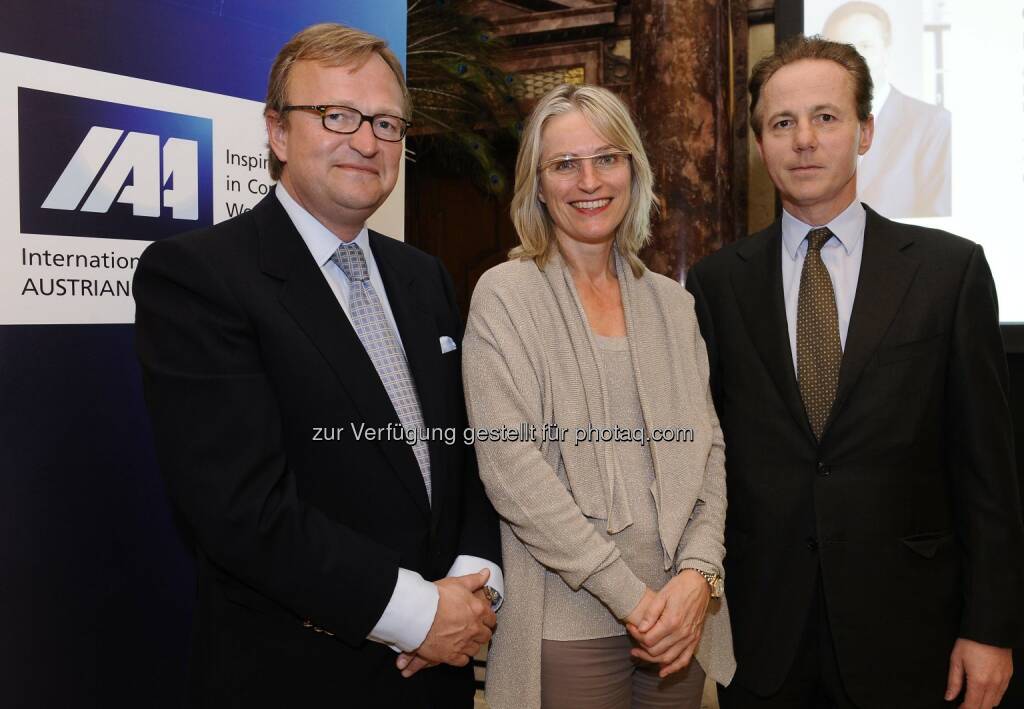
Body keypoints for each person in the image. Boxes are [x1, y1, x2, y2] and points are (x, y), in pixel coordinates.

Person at [133, 23, 502, 709]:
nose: (366, 141)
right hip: (296, 675)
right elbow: (243, 510)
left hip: (438, 675)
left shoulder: (425, 278)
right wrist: (420, 614)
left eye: (387, 123)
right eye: (337, 115)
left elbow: (468, 451)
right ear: (277, 133)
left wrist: (476, 588)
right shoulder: (198, 277)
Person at [686, 35, 1024, 709]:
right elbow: (705, 454)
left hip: (910, 632)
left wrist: (990, 629)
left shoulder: (946, 272)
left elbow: (987, 470)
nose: (804, 139)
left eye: (826, 117)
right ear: (760, 144)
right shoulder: (717, 284)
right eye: (782, 123)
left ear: (865, 131)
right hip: (763, 634)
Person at [461, 83, 735, 709]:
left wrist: (698, 577)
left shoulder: (673, 303)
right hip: (568, 617)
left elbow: (708, 451)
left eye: (607, 157)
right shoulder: (505, 296)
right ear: (537, 183)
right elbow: (512, 471)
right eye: (565, 164)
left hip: (680, 617)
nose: (589, 180)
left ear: (633, 170)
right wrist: (633, 598)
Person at [823, 0, 951, 218]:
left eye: (865, 46)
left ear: (886, 51)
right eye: (843, 49)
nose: (855, 60)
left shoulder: (931, 122)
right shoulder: (813, 129)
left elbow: (938, 216)